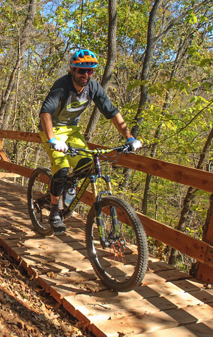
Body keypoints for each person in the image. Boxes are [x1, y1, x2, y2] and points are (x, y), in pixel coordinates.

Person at [39, 48, 142, 234]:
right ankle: (54, 211)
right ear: (72, 70)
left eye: (90, 70)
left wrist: (129, 137)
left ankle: (66, 188)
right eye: (81, 70)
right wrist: (52, 139)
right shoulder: (61, 86)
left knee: (87, 166)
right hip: (52, 130)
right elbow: (45, 112)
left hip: (72, 130)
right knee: (62, 168)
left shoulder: (93, 88)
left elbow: (112, 112)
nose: (86, 74)